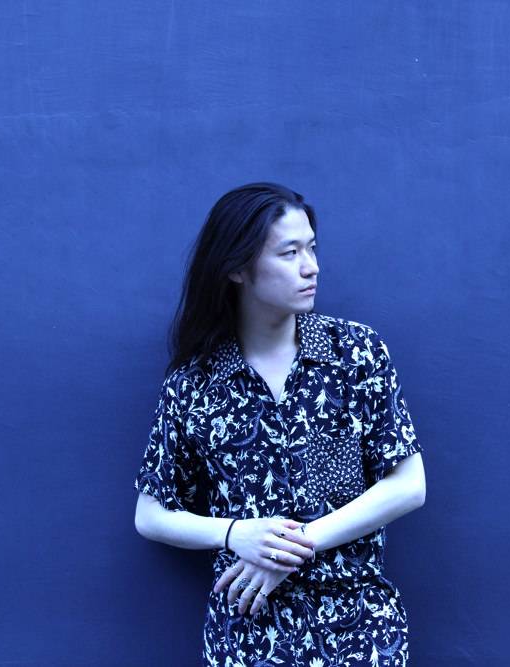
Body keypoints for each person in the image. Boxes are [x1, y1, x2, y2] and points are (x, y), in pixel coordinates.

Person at [134, 182, 426, 666]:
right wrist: (235, 534)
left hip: (359, 631)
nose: (311, 267)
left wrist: (289, 550)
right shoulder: (194, 383)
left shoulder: (356, 353)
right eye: (290, 253)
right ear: (236, 268)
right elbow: (150, 514)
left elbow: (409, 486)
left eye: (312, 248)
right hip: (248, 638)